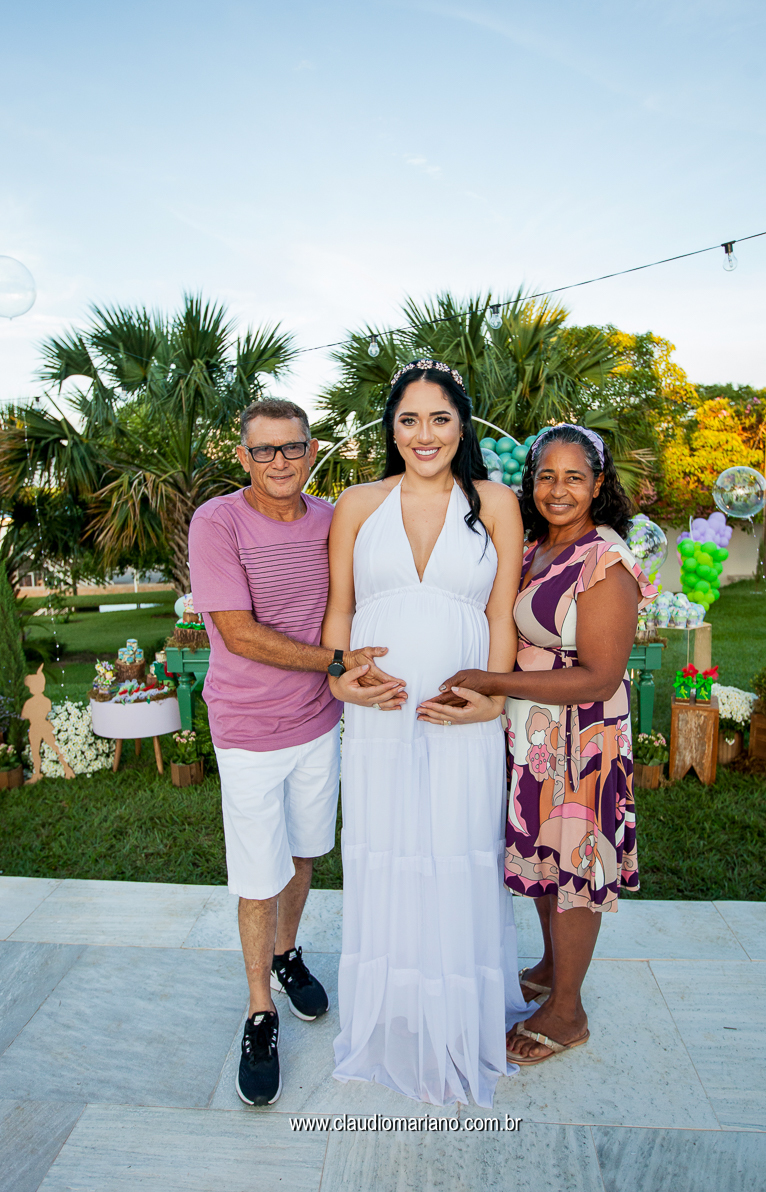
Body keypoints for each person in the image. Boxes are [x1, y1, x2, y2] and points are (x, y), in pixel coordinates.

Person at [188, 397, 402, 1107]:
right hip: (249, 729)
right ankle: (260, 1011)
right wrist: (335, 661)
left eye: (292, 447)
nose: (279, 461)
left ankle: (287, 955)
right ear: (243, 456)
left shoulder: (331, 518)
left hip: (318, 723)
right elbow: (238, 633)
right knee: (258, 874)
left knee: (305, 853)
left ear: (311, 451)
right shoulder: (217, 521)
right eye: (264, 449)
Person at [323, 360, 526, 1107]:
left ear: (462, 426)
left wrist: (492, 701)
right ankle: (397, 1010)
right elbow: (341, 610)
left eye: (439, 418)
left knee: (455, 849)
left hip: (461, 713)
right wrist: (339, 680)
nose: (424, 434)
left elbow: (501, 612)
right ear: (391, 429)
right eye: (408, 420)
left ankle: (457, 1014)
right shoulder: (356, 502)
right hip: (376, 715)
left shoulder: (495, 503)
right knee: (388, 850)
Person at [428, 423, 657, 1066]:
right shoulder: (538, 547)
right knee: (549, 859)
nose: (559, 489)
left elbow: (600, 676)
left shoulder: (604, 560)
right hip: (537, 737)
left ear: (599, 485)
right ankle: (555, 968)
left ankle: (568, 1011)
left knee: (577, 866)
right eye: (546, 476)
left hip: (581, 741)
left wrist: (493, 681)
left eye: (575, 477)